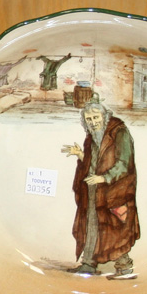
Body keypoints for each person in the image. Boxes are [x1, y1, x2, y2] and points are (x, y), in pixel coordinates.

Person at [60, 102, 139, 278]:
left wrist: (103, 178)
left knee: (116, 228)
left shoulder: (119, 132)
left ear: (105, 116)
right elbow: (94, 162)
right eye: (88, 119)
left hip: (115, 191)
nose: (93, 122)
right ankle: (88, 263)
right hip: (94, 189)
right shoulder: (92, 135)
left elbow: (124, 163)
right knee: (91, 224)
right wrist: (80, 155)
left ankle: (124, 268)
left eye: (96, 117)